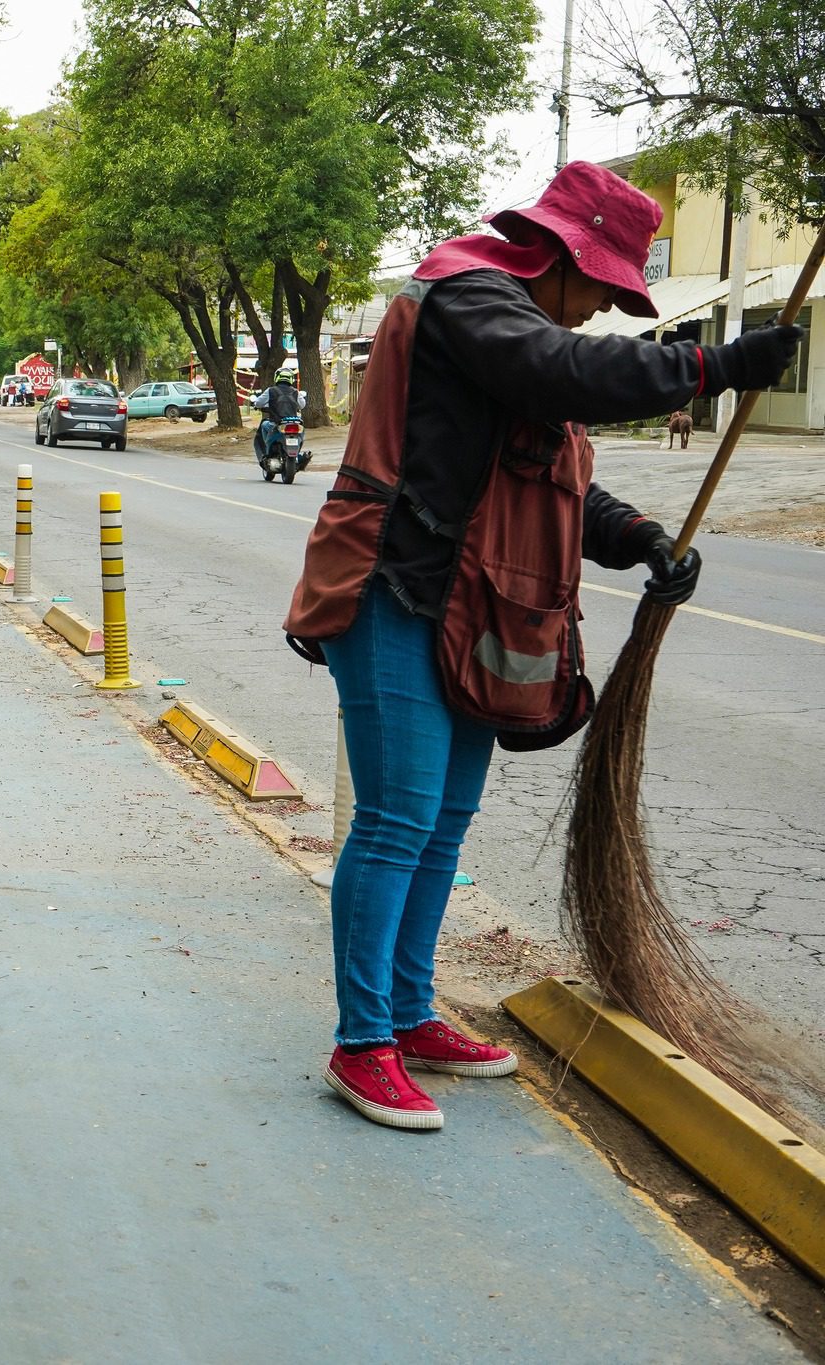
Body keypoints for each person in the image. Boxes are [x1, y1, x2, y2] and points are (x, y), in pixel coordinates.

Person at [282, 160, 803, 1133]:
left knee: (441, 824)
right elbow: (559, 374)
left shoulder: (514, 333)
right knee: (395, 821)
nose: (602, 308)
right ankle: (360, 1044)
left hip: (471, 617)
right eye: (599, 285)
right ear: (560, 254)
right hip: (391, 591)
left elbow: (549, 472)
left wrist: (638, 536)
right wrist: (709, 366)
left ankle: (406, 1013)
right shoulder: (463, 296)